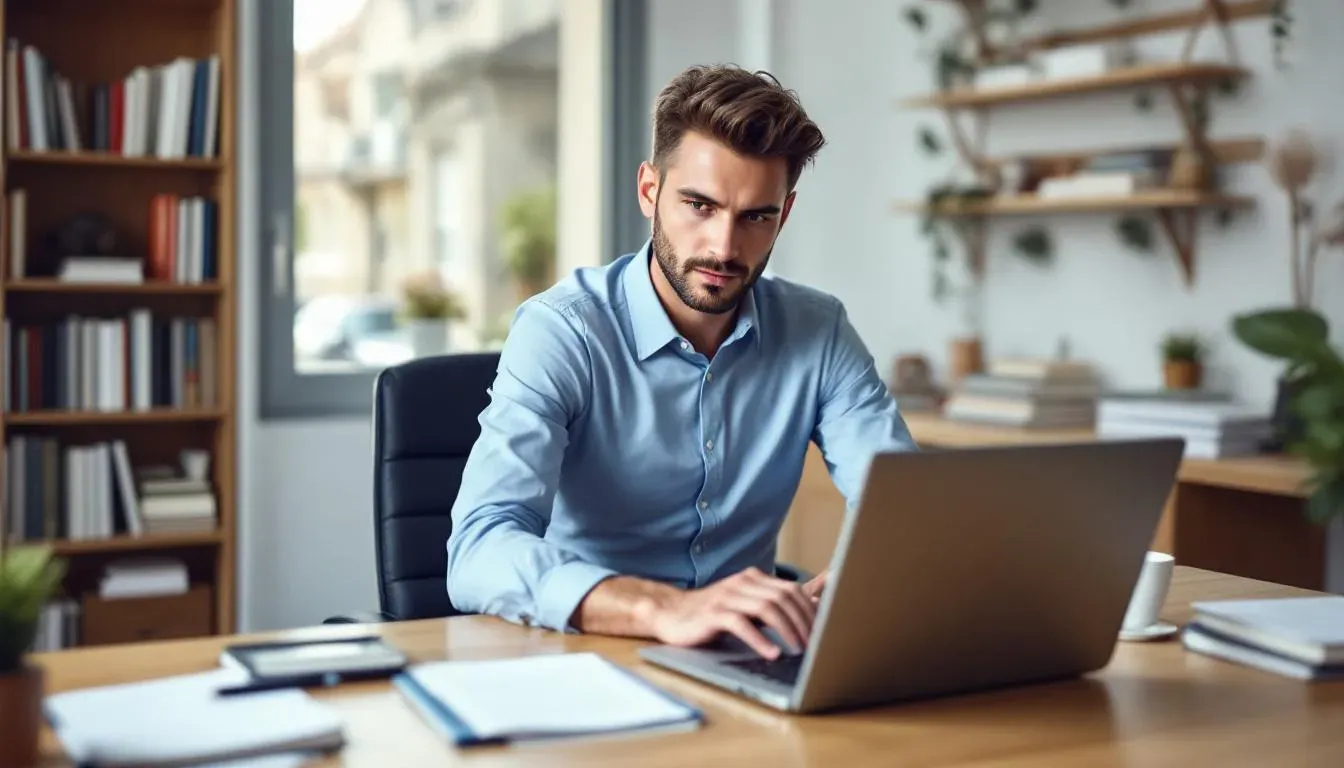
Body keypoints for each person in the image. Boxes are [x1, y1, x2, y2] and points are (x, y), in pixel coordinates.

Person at [447, 64, 917, 659]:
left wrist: (856, 585)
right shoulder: (562, 330)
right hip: (588, 654)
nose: (724, 246)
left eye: (755, 217)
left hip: (747, 660)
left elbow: (901, 505)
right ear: (650, 191)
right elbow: (479, 551)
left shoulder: (817, 330)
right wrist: (665, 608)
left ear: (785, 215)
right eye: (699, 205)